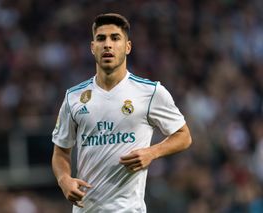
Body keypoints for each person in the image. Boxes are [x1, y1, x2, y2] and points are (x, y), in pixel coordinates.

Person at [51, 13, 192, 213]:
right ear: (93, 48)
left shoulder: (150, 92)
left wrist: (152, 152)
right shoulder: (73, 97)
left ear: (127, 47)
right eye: (101, 38)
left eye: (115, 38)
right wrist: (64, 179)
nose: (107, 44)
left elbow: (184, 136)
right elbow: (60, 152)